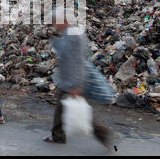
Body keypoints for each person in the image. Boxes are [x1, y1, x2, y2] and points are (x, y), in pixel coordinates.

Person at [43, 8, 110, 146]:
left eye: (56, 21)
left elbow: (77, 61)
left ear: (64, 20)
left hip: (73, 80)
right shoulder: (69, 32)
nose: (55, 24)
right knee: (63, 107)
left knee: (78, 111)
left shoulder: (73, 34)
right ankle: (57, 136)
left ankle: (103, 134)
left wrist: (76, 84)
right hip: (68, 79)